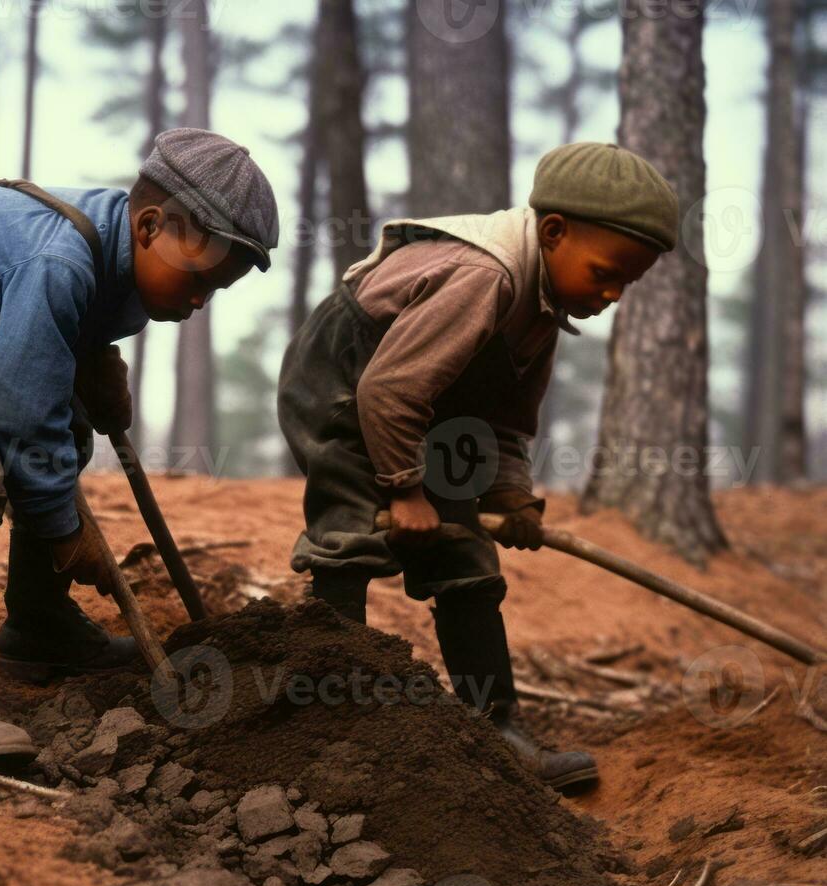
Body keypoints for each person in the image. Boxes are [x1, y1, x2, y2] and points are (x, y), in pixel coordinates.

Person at [0, 129, 279, 761]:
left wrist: (96, 360)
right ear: (149, 227)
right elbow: (21, 409)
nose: (202, 299)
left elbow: (52, 359)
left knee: (64, 430)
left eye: (216, 290)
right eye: (199, 279)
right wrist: (66, 532)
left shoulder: (115, 256)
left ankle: (38, 627)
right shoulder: (61, 263)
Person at [278, 142, 679, 795]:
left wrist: (512, 498)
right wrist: (404, 490)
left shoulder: (540, 312)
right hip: (348, 384)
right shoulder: (482, 276)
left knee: (464, 555)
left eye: (625, 284)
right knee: (354, 532)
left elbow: (502, 423)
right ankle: (326, 717)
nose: (611, 294)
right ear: (553, 232)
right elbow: (387, 393)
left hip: (430, 407)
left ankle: (496, 724)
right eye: (606, 271)